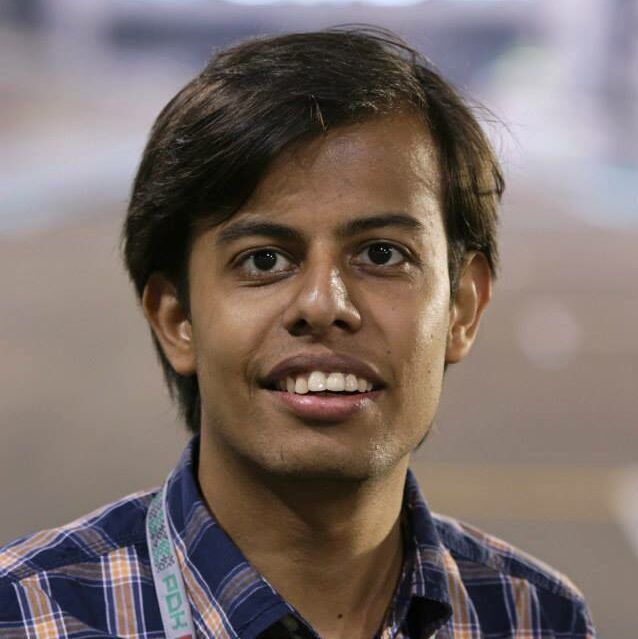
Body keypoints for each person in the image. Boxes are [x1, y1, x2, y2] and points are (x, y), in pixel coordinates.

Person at [0, 27, 596, 638]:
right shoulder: (24, 615)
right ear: (177, 319)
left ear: (462, 308)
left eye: (383, 254)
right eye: (264, 260)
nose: (324, 304)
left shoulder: (535, 617)